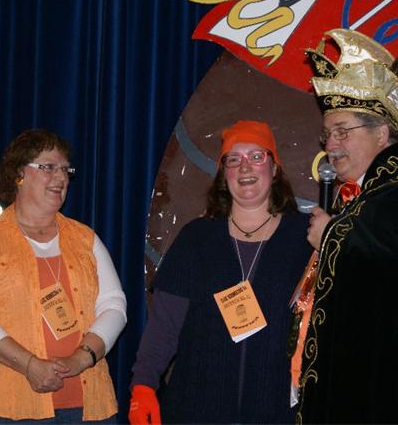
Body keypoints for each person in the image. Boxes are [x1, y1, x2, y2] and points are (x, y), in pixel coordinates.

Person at [297, 29, 398, 423]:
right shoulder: (369, 198)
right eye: (327, 134)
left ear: (382, 133)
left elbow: (388, 265)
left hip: (382, 401)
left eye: (342, 131)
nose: (330, 145)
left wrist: (331, 236)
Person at [128, 120, 312, 424]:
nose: (245, 167)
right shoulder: (196, 238)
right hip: (195, 411)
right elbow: (164, 326)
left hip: (278, 413)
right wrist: (143, 385)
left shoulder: (305, 238)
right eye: (233, 159)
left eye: (257, 156)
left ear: (275, 168)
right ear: (223, 174)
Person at [0, 129, 127, 422]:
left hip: (88, 406)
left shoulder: (85, 238)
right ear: (19, 174)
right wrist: (30, 365)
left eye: (65, 169)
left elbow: (114, 306)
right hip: (9, 408)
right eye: (48, 167)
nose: (61, 177)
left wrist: (82, 358)